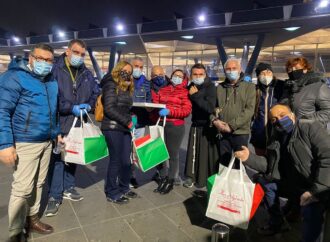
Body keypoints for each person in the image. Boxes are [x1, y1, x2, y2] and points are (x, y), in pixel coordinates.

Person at [235, 104, 330, 241]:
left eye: (282, 115)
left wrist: (315, 191)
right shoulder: (277, 136)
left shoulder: (309, 126)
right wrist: (248, 157)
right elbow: (270, 165)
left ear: (292, 115)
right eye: (274, 119)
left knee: (311, 211)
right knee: (263, 181)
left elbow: (327, 157)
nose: (278, 120)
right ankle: (277, 222)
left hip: (319, 187)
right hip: (295, 184)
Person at [0, 43, 59, 241]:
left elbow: (53, 110)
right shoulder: (14, 77)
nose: (46, 63)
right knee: (22, 187)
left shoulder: (50, 80)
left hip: (46, 140)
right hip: (25, 141)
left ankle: (32, 218)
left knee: (39, 183)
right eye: (41, 59)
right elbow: (2, 111)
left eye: (49, 60)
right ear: (31, 58)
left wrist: (56, 132)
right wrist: (5, 144)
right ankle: (15, 232)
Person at [45, 39, 99, 216]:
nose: (80, 57)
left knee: (74, 156)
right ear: (67, 52)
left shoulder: (86, 73)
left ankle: (68, 187)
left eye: (83, 54)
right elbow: (52, 96)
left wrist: (89, 105)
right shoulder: (55, 69)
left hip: (79, 122)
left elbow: (95, 92)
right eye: (76, 52)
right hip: (61, 122)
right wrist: (70, 107)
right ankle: (54, 195)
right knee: (59, 159)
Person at [101, 61, 138, 204]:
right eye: (124, 70)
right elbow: (109, 108)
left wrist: (131, 116)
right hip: (112, 127)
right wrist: (127, 121)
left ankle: (124, 187)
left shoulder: (126, 87)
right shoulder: (111, 84)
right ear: (118, 69)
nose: (127, 74)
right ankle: (112, 192)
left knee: (126, 160)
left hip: (124, 127)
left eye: (129, 72)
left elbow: (124, 107)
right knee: (116, 160)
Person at [151, 67, 192, 194]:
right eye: (175, 75)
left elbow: (186, 110)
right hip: (162, 124)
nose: (177, 78)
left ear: (184, 79)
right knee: (162, 153)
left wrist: (170, 111)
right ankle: (163, 177)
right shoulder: (163, 89)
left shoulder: (185, 92)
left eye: (180, 76)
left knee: (173, 154)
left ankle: (171, 180)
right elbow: (156, 103)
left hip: (175, 126)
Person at [212, 58, 256, 166]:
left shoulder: (249, 87)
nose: (231, 71)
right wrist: (215, 121)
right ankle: (224, 182)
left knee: (240, 162)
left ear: (240, 69)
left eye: (234, 68)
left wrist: (231, 126)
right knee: (223, 161)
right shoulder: (219, 88)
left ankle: (238, 182)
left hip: (241, 132)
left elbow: (249, 110)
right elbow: (212, 108)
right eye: (228, 69)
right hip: (222, 131)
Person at [183, 63, 219, 188]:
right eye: (195, 74)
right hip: (195, 123)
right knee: (193, 151)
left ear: (205, 74)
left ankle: (205, 178)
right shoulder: (191, 86)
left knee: (206, 154)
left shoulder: (211, 87)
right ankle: (190, 176)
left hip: (208, 126)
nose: (198, 76)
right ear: (191, 75)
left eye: (200, 74)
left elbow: (210, 107)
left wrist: (196, 96)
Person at [282, 57, 330, 126]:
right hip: (290, 133)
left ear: (305, 69)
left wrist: (303, 121)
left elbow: (327, 112)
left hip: (310, 133)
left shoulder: (318, 86)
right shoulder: (288, 88)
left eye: (296, 68)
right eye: (290, 69)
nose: (293, 71)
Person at [250, 63, 284, 156]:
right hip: (259, 133)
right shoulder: (255, 89)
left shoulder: (281, 87)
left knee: (275, 160)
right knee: (261, 161)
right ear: (258, 76)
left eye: (269, 72)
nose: (266, 75)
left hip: (276, 132)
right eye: (263, 73)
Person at [130, 57, 151, 188]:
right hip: (125, 121)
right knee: (124, 151)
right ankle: (122, 175)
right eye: (136, 66)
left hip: (140, 123)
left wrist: (150, 108)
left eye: (141, 67)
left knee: (135, 151)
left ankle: (132, 176)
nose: (138, 69)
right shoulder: (124, 80)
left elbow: (149, 100)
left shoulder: (146, 83)